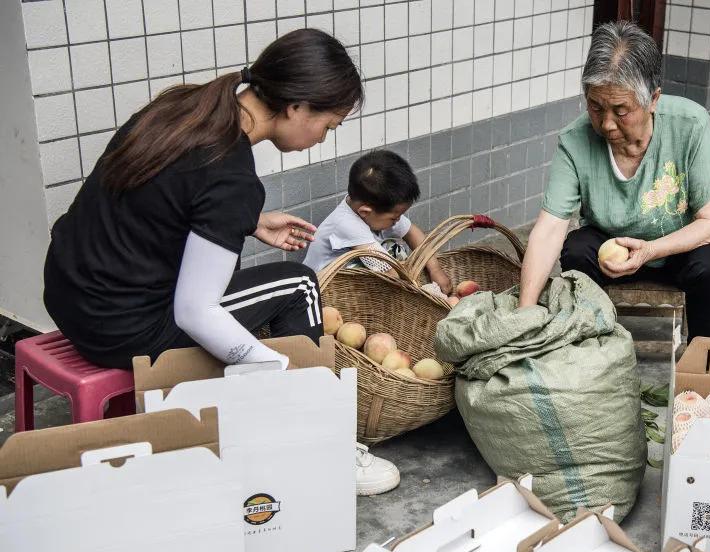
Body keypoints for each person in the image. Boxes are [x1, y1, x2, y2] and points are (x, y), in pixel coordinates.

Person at [42, 28, 398, 496]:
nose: (322, 139)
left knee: (262, 300)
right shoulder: (230, 176)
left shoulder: (182, 107)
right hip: (121, 328)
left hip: (69, 295)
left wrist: (248, 220)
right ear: (296, 107)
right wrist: (274, 367)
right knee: (300, 285)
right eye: (327, 126)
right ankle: (316, 437)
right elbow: (195, 311)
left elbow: (163, 200)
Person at [518, 21, 710, 340]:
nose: (606, 123)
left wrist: (650, 250)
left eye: (621, 110)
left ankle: (703, 364)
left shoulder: (691, 125)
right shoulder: (575, 141)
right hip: (611, 252)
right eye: (595, 106)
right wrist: (525, 311)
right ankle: (591, 350)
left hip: (674, 248)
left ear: (653, 100)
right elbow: (548, 229)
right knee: (577, 250)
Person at [303, 150, 452, 297]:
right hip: (324, 291)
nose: (398, 221)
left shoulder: (376, 211)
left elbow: (412, 233)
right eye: (394, 218)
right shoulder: (346, 224)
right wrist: (418, 292)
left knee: (395, 250)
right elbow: (387, 269)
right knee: (390, 260)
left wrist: (435, 269)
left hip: (355, 278)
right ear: (364, 212)